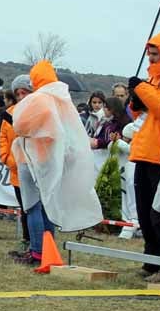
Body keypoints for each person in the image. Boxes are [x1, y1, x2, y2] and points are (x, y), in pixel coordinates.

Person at [11, 61, 103, 266]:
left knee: (32, 206)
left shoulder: (39, 99)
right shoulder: (62, 99)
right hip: (50, 159)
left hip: (32, 158)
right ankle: (47, 248)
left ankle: (37, 251)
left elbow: (20, 125)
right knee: (47, 205)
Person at [128, 30, 160, 283]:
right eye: (149, 53)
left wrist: (141, 89)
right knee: (143, 212)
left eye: (155, 52)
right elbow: (145, 113)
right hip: (144, 152)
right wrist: (134, 103)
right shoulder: (154, 78)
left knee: (158, 214)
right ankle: (151, 260)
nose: (150, 57)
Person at [0, 75, 32, 257]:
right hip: (15, 169)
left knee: (33, 207)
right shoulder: (9, 113)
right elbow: (3, 137)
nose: (21, 96)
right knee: (24, 206)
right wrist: (6, 158)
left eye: (24, 92)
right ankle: (27, 239)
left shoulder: (37, 112)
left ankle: (35, 239)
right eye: (18, 93)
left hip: (33, 168)